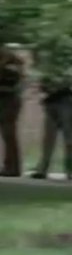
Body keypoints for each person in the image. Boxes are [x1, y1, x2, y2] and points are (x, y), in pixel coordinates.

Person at [29, 45, 72, 181]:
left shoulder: (68, 66)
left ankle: (70, 171)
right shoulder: (47, 68)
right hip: (51, 102)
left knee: (68, 139)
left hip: (66, 102)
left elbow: (68, 83)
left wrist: (52, 86)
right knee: (48, 138)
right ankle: (43, 169)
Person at [0, 44, 24, 177]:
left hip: (9, 101)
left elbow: (13, 83)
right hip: (5, 99)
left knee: (9, 134)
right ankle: (8, 165)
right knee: (7, 135)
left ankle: (13, 167)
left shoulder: (12, 65)